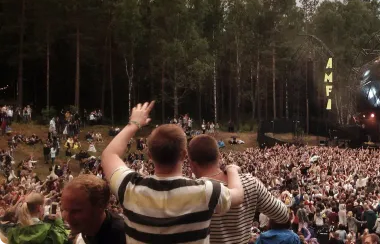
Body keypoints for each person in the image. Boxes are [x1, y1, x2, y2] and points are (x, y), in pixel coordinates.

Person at [101, 101, 244, 243]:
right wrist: (232, 170)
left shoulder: (129, 187)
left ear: (149, 155)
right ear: (184, 155)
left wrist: (134, 124)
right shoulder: (206, 191)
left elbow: (109, 155)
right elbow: (237, 195)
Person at [187, 134, 290, 244]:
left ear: (192, 164)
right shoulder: (251, 183)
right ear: (219, 157)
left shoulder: (191, 191)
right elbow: (283, 215)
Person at [61, 174, 125, 244]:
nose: (67, 217)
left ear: (100, 206)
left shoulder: (125, 238)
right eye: (64, 209)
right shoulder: (85, 228)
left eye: (76, 211)